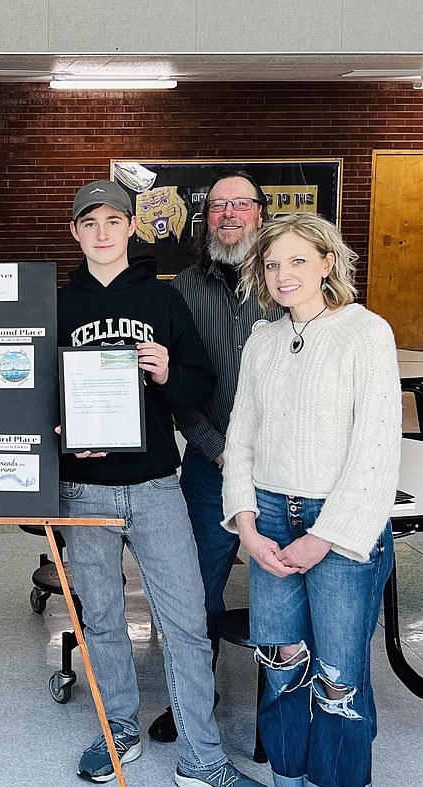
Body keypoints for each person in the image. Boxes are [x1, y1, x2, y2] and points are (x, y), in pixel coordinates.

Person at [56, 179, 273, 787]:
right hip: (83, 489)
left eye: (113, 221)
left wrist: (169, 370)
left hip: (155, 484)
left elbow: (199, 387)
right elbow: (35, 391)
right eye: (89, 222)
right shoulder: (54, 305)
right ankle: (119, 729)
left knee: (183, 620)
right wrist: (62, 433)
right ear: (76, 232)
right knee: (100, 618)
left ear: (132, 228)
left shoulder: (162, 299)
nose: (102, 232)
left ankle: (202, 758)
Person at [222, 213, 400, 787]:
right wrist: (246, 523)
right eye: (271, 265)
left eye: (297, 261)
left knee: (336, 673)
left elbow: (377, 452)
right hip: (269, 515)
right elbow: (239, 439)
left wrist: (325, 537)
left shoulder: (365, 334)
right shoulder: (262, 342)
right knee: (281, 661)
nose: (283, 275)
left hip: (340, 525)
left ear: (329, 262)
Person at [148, 171, 275, 744]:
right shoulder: (182, 291)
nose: (229, 214)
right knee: (197, 584)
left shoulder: (286, 284)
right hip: (210, 463)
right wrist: (221, 453)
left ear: (260, 215)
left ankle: (280, 713)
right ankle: (194, 699)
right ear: (206, 219)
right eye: (219, 205)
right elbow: (178, 387)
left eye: (241, 205)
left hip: (284, 469)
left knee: (281, 586)